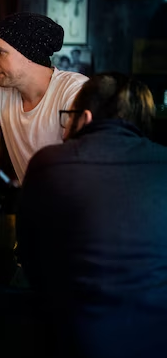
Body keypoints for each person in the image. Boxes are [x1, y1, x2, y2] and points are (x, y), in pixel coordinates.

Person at [16, 73, 167, 358]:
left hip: (76, 333)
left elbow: (30, 257)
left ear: (84, 117)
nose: (63, 131)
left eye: (67, 118)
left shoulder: (49, 163)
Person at [0, 12, 89, 183]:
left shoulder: (74, 91)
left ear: (28, 55)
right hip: (33, 204)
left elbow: (89, 166)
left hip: (75, 205)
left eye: (0, 52)